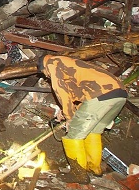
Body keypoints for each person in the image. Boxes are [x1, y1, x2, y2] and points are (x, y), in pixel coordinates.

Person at [37, 54, 127, 183]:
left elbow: (61, 91)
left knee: (73, 135)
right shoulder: (69, 64)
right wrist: (67, 111)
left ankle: (79, 175)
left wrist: (69, 117)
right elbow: (81, 96)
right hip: (118, 94)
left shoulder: (52, 63)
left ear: (43, 67)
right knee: (93, 131)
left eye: (46, 75)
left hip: (101, 94)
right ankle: (94, 169)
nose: (47, 77)